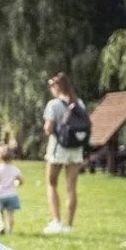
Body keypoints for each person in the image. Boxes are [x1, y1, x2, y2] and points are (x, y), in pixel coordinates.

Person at [42, 72, 86, 234]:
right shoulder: (79, 102)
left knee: (52, 183)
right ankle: (69, 225)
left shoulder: (53, 105)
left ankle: (56, 222)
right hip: (76, 149)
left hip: (58, 148)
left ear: (57, 87)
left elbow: (49, 128)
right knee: (71, 188)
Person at [0, 145, 23, 235]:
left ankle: (1, 224)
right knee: (10, 214)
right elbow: (21, 181)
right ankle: (10, 231)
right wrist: (17, 183)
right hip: (12, 195)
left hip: (0, 195)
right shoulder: (15, 169)